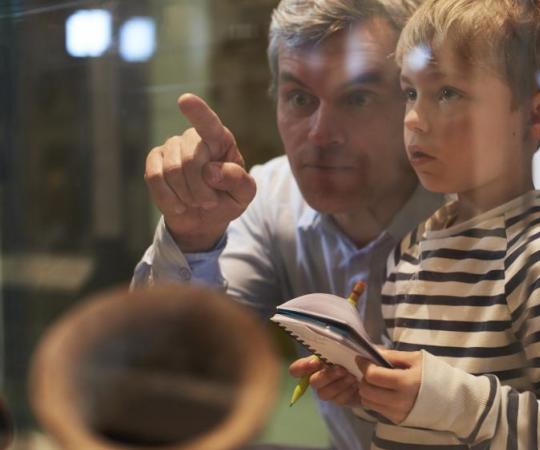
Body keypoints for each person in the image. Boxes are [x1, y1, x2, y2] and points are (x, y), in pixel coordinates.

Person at [304, 0, 540, 447]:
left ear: (538, 114)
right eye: (410, 92)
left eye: (447, 93)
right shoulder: (413, 250)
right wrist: (367, 387)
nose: (413, 120)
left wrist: (448, 400)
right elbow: (426, 411)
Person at [131, 1, 442, 449]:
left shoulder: (474, 207)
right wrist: (193, 237)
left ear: (413, 103)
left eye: (357, 98)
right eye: (299, 97)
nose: (321, 133)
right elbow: (169, 372)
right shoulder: (268, 197)